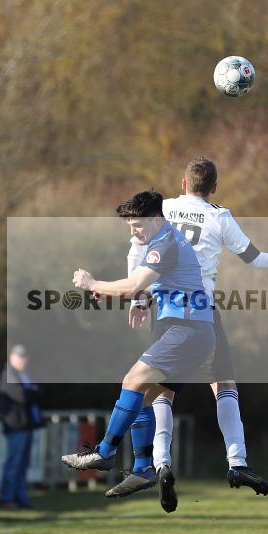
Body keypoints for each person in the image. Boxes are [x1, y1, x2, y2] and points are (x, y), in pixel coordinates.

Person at [114, 156, 268, 511]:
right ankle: (237, 462)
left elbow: (136, 247)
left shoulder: (163, 208)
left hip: (165, 310)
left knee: (160, 392)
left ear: (183, 185)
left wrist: (138, 297)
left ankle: (162, 460)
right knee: (224, 385)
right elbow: (255, 258)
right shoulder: (219, 215)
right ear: (213, 187)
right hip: (203, 311)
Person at [61, 190, 215, 479]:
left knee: (132, 381)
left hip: (187, 330)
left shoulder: (164, 243)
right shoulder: (162, 240)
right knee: (141, 397)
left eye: (138, 225)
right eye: (130, 227)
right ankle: (143, 467)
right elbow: (148, 288)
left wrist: (93, 282)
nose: (134, 232)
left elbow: (134, 284)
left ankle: (104, 453)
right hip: (197, 333)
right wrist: (130, 298)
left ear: (157, 218)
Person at [0, 344, 44, 509]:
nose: (24, 360)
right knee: (13, 464)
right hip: (16, 426)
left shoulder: (23, 375)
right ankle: (7, 498)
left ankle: (20, 498)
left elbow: (39, 393)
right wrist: (32, 391)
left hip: (25, 425)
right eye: (20, 356)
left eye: (25, 356)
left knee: (23, 465)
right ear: (11, 357)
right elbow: (22, 396)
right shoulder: (9, 375)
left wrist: (32, 391)